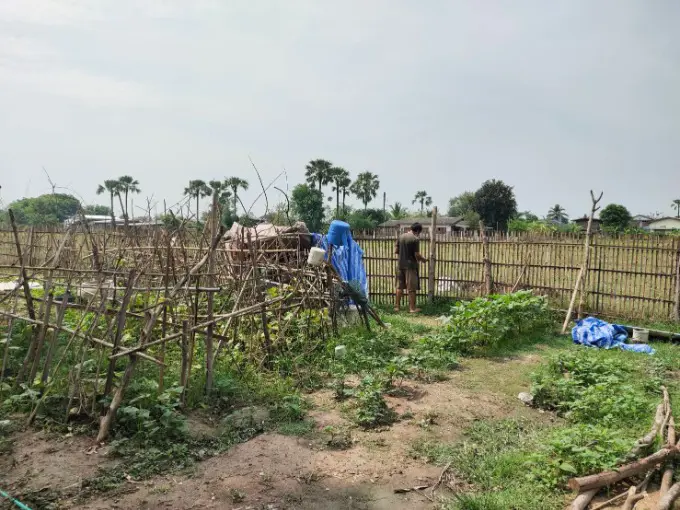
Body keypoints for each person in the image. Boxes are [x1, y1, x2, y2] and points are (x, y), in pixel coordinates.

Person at [395, 222, 427, 313]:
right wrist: (423, 259)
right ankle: (412, 308)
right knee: (411, 288)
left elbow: (396, 251)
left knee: (399, 287)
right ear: (418, 231)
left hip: (400, 265)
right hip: (410, 266)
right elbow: (416, 254)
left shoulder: (401, 237)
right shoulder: (415, 239)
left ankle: (397, 307)